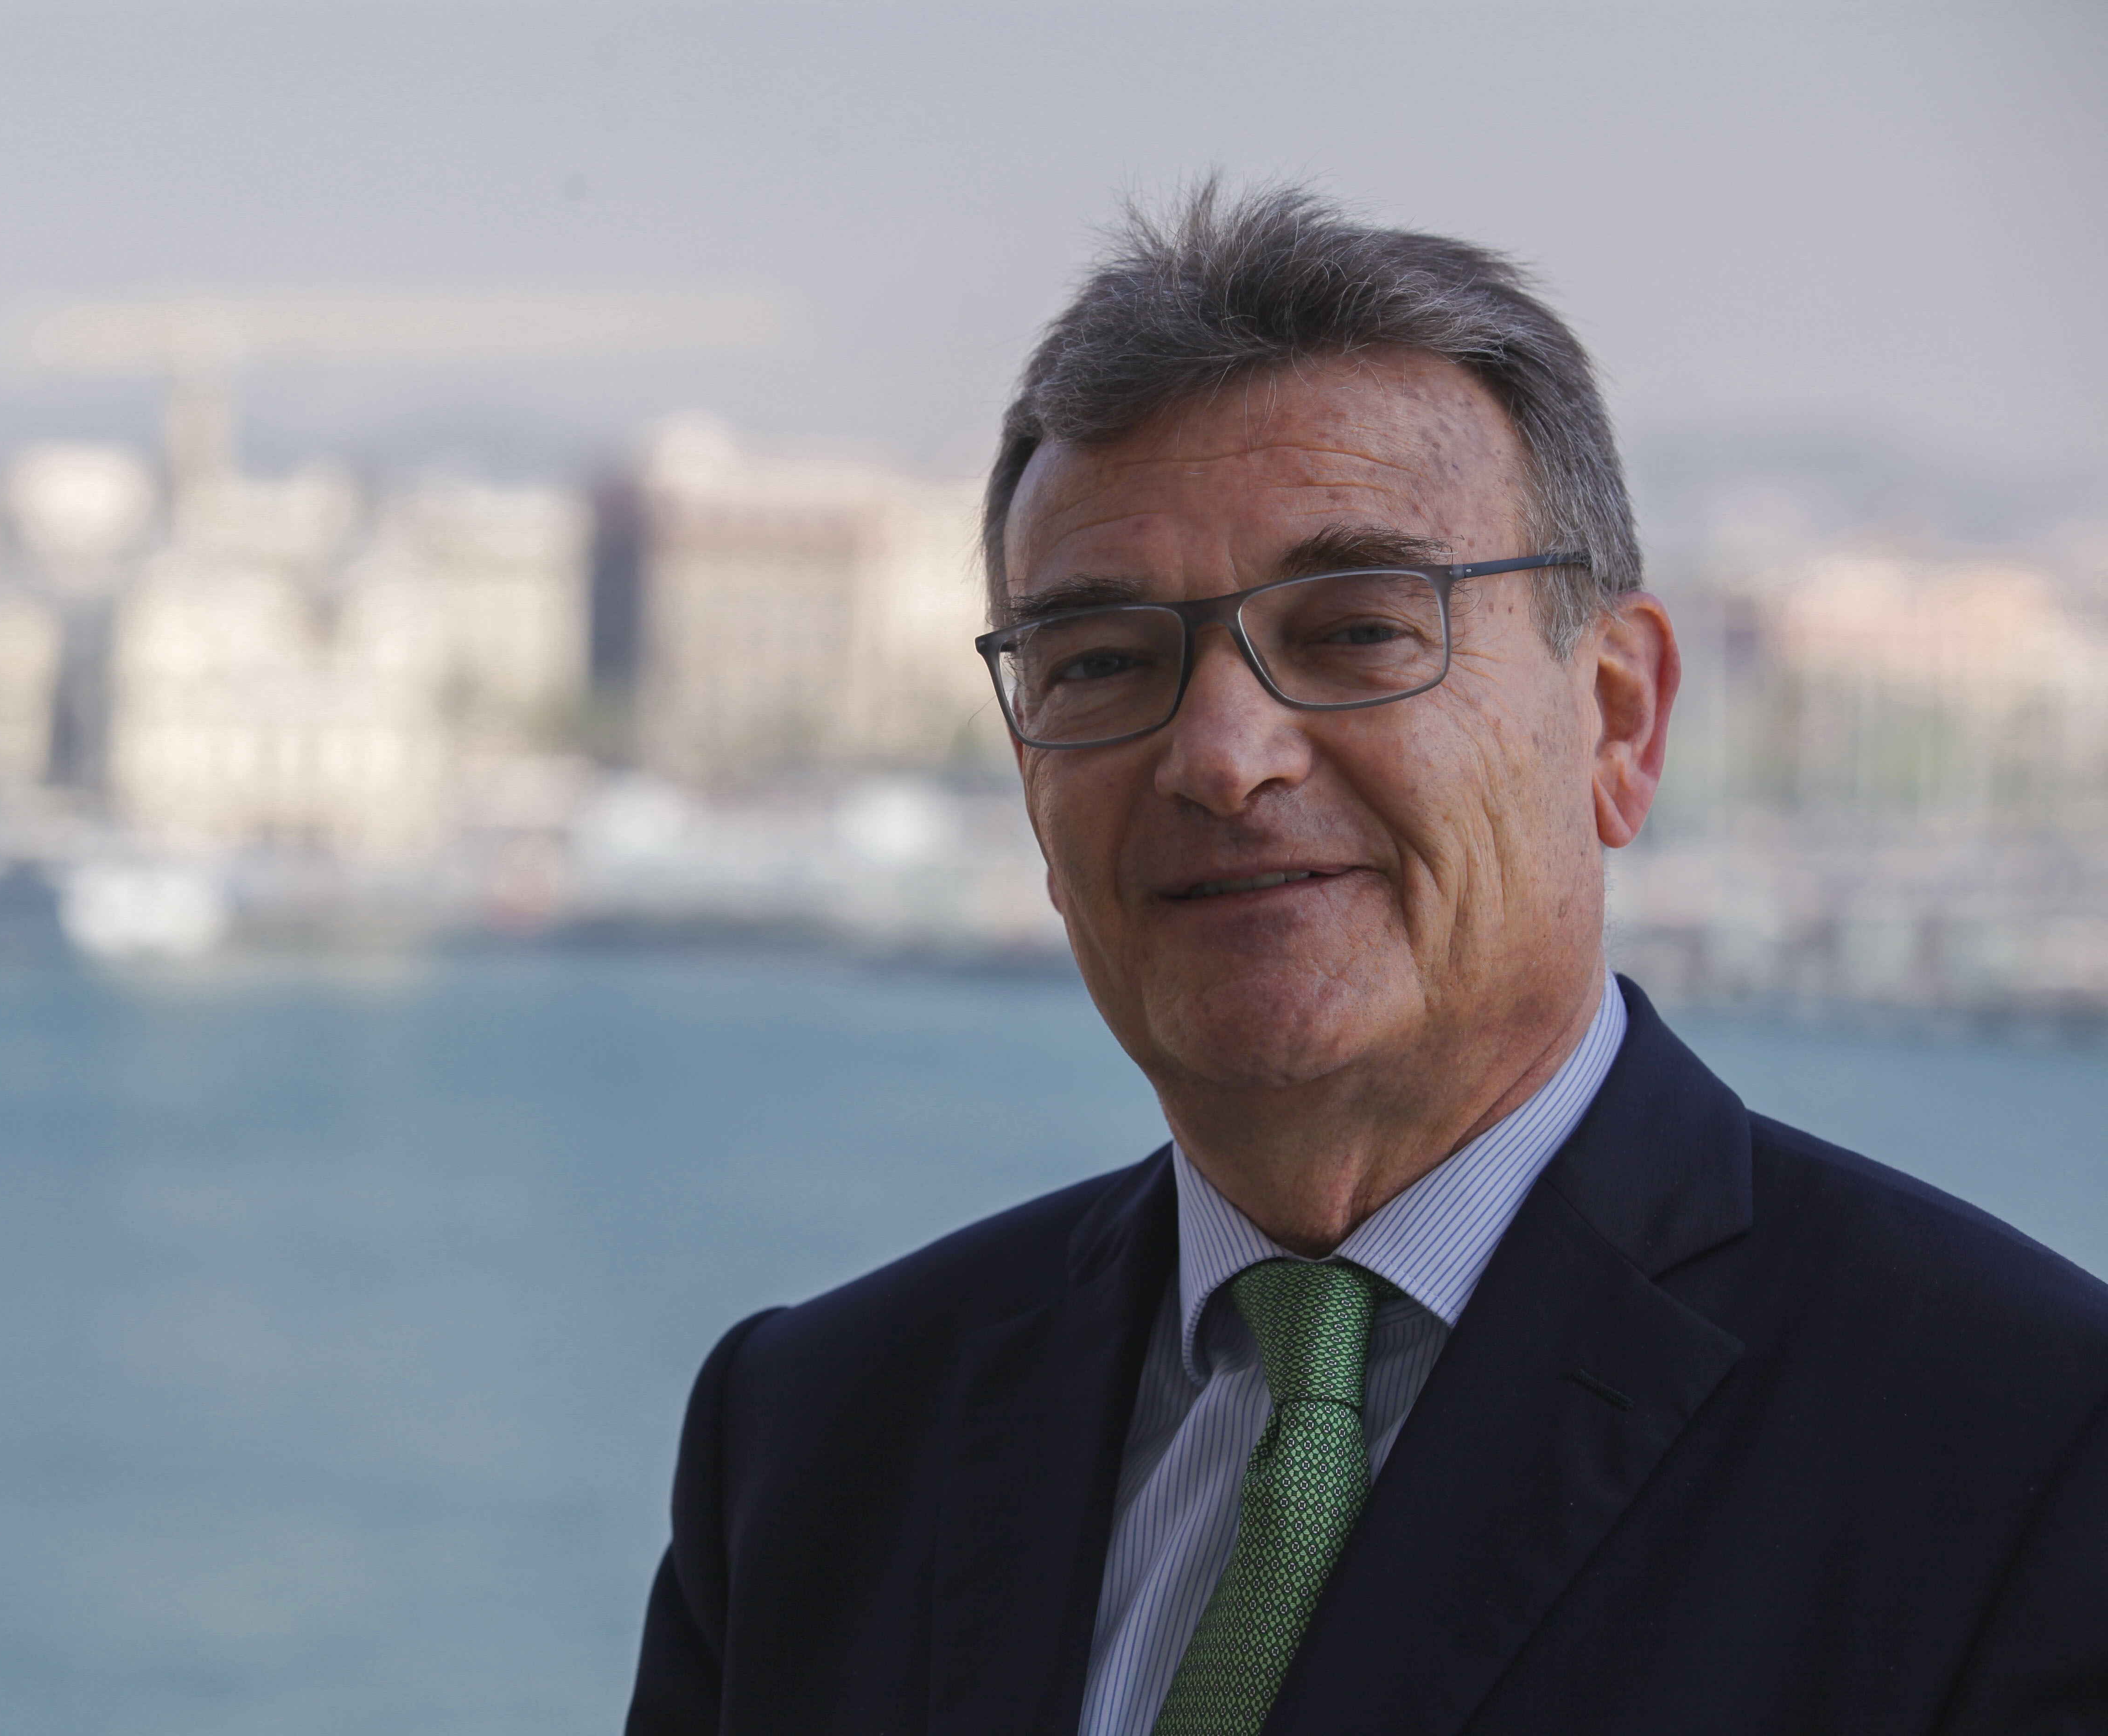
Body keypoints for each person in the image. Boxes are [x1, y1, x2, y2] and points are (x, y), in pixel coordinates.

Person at [625, 186, 2108, 1736]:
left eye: (1356, 633)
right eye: (1105, 661)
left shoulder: (2029, 1453)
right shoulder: (813, 1441)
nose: (1223, 756)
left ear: (1617, 719)